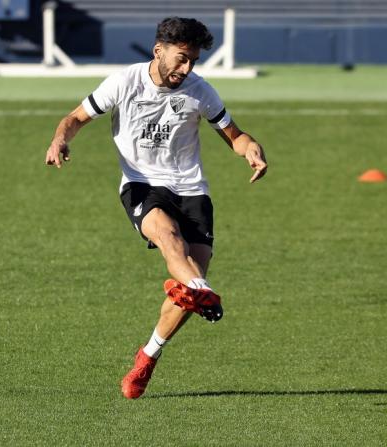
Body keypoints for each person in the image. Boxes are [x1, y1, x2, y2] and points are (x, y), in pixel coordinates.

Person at [44, 17, 267, 399]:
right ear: (158, 50)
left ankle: (148, 355)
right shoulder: (124, 82)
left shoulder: (200, 91)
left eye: (193, 61)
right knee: (167, 236)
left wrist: (252, 150)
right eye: (181, 59)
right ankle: (202, 288)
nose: (187, 69)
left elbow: (234, 135)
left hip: (193, 191)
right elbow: (75, 118)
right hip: (141, 184)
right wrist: (59, 140)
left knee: (184, 290)